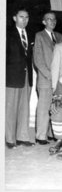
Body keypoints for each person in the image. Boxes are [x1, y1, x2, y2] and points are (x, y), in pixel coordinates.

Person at [33, 11, 62, 145]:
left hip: (59, 79)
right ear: (44, 22)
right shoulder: (39, 35)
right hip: (46, 79)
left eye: (54, 19)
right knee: (44, 107)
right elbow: (38, 59)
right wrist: (50, 75)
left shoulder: (59, 36)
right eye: (49, 19)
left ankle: (52, 133)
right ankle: (41, 136)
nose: (52, 21)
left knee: (55, 106)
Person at [5, 8, 35, 148]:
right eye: (21, 17)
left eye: (27, 17)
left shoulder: (29, 33)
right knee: (10, 109)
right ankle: (9, 139)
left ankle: (22, 136)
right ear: (14, 18)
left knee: (24, 108)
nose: (25, 20)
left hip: (26, 76)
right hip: (11, 77)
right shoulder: (7, 34)